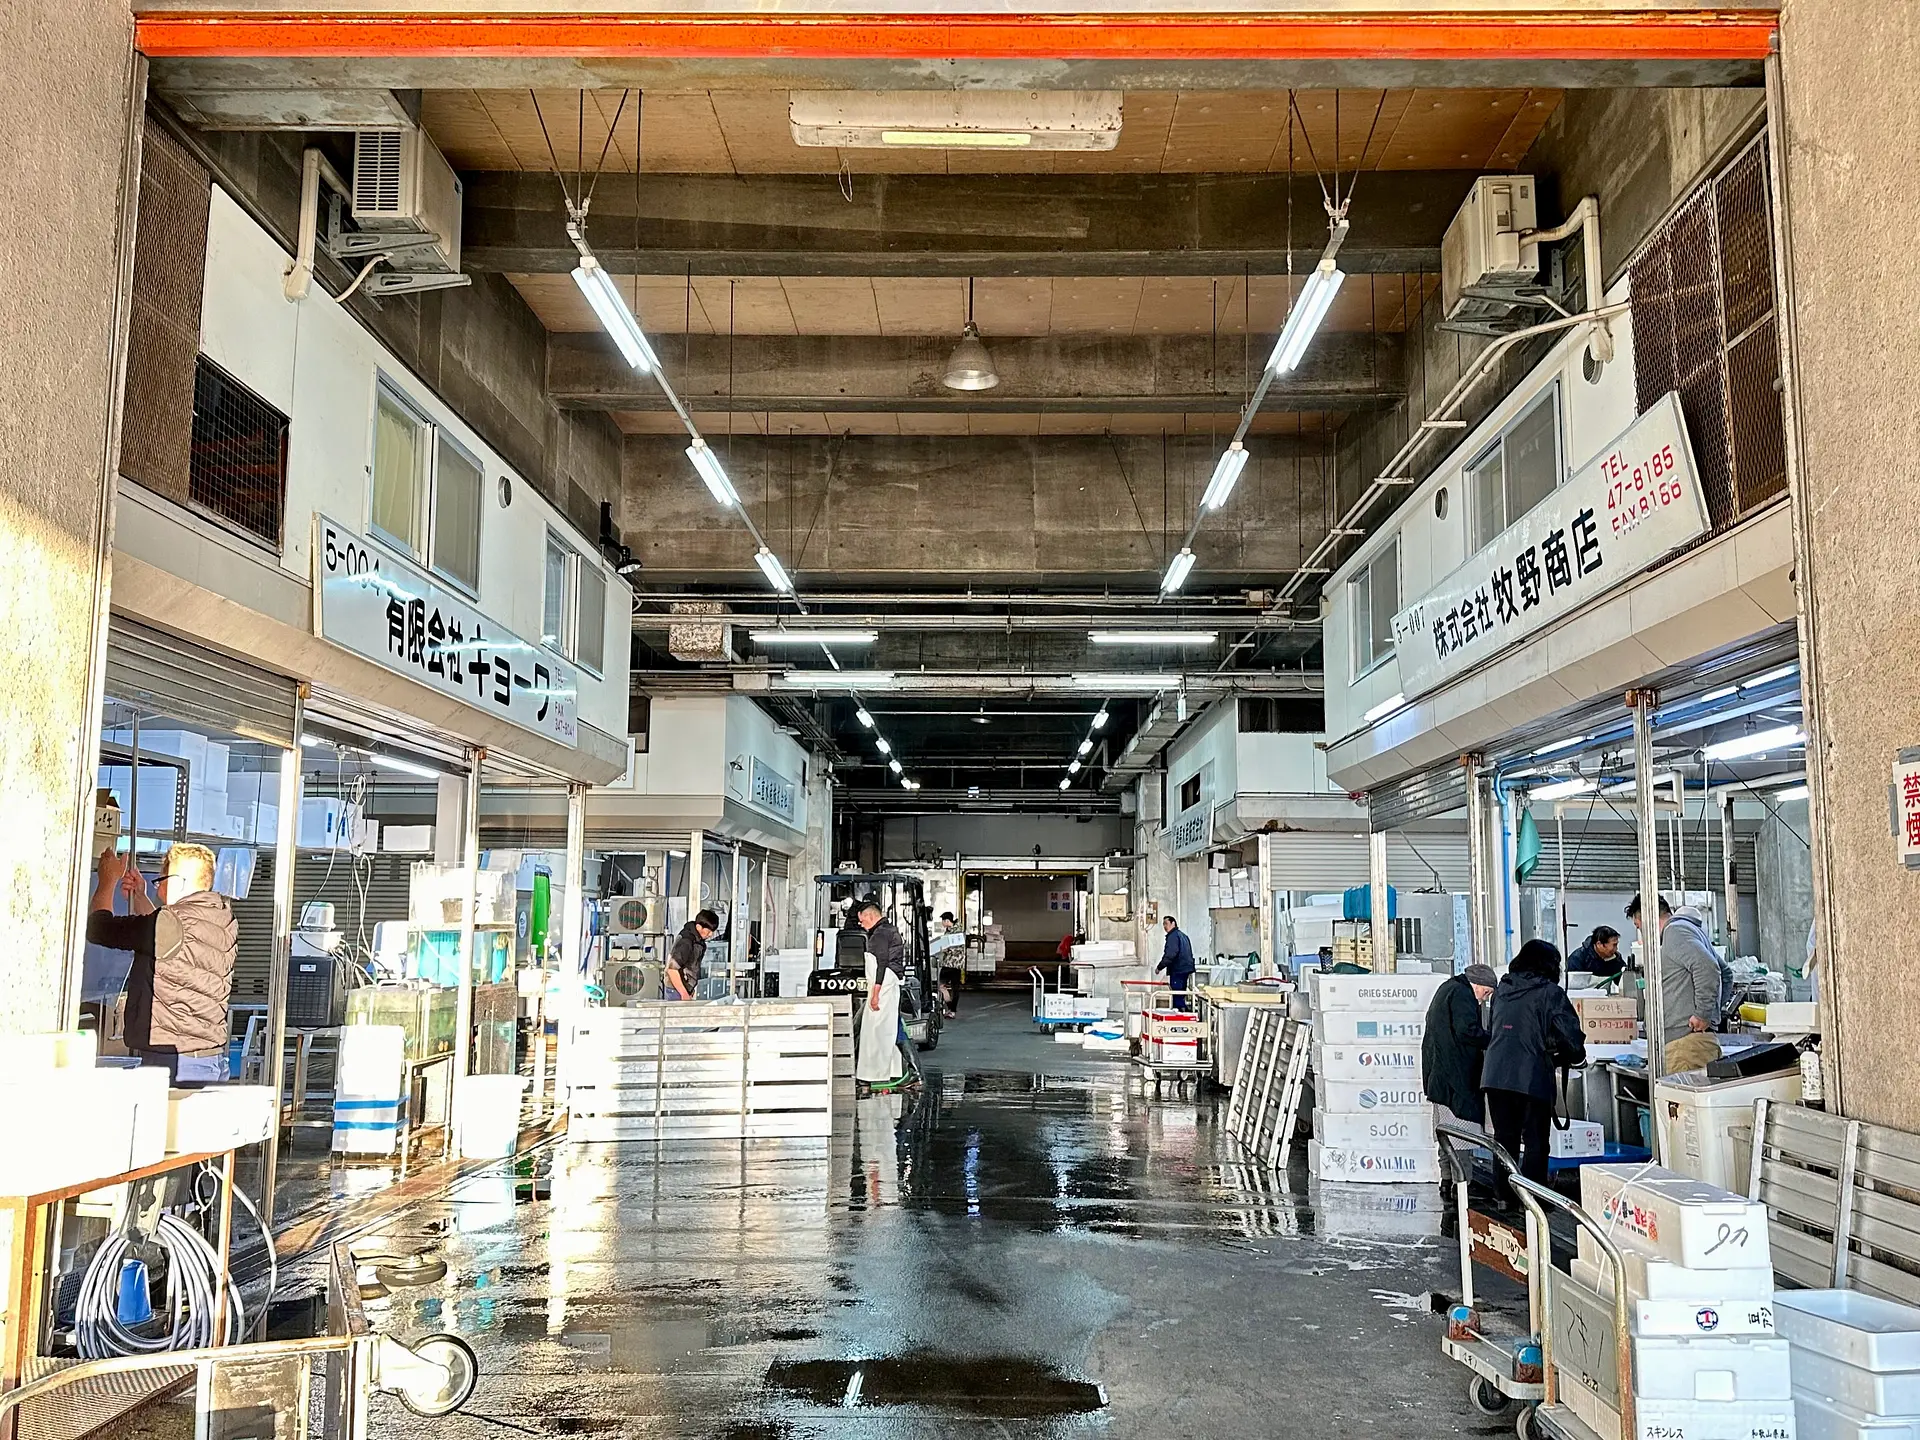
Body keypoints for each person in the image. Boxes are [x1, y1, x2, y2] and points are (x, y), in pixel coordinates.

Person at [87, 844, 236, 1084]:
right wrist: (140, 896)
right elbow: (167, 944)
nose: (159, 888)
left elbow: (99, 929)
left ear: (178, 882)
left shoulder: (171, 925)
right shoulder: (220, 919)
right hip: (206, 1056)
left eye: (162, 880)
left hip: (173, 1058)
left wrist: (107, 880)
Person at [1483, 940, 1587, 1187]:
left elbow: (1495, 1028)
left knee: (1504, 1140)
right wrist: (1576, 1057)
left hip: (1495, 1075)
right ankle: (1533, 1197)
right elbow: (1569, 1034)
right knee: (1536, 1142)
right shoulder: (1550, 993)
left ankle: (1504, 1197)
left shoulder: (1502, 990)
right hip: (1531, 1075)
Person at [1626, 893, 1724, 1070]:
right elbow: (1725, 973)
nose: (1642, 936)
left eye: (1639, 926)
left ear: (1648, 919)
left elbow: (1707, 967)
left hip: (1685, 1047)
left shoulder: (1675, 932)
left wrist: (1703, 1013)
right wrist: (1712, 1013)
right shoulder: (1689, 931)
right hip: (1690, 1043)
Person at [853, 898, 918, 1092]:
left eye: (862, 920)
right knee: (890, 1030)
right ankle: (910, 1073)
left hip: (883, 987)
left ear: (870, 915)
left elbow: (881, 965)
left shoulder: (880, 935)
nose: (861, 924)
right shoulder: (890, 930)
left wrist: (875, 994)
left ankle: (872, 1075)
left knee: (876, 1033)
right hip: (889, 985)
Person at [1422, 963, 1498, 1128]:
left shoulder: (1447, 988)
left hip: (1441, 1077)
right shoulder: (1463, 994)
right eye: (1486, 992)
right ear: (1476, 984)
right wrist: (1494, 1040)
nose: (1485, 999)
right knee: (1463, 1133)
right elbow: (1467, 1030)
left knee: (1446, 1132)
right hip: (1457, 1081)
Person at [666, 908, 719, 1000]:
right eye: (709, 931)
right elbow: (672, 970)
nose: (711, 934)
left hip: (684, 989)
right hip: (676, 990)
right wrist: (684, 993)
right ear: (699, 927)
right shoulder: (686, 941)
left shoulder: (698, 942)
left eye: (712, 931)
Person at [1155, 915, 1196, 1011]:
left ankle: (1181, 1014)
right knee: (1181, 993)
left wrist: (1159, 967)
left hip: (1178, 969)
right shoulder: (1183, 936)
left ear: (1173, 923)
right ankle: (1183, 1012)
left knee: (1177, 995)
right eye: (1163, 924)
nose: (1164, 926)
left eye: (1166, 923)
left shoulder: (1173, 936)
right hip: (1185, 969)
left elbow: (1170, 954)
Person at [930, 911, 965, 1019]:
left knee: (955, 989)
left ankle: (952, 1011)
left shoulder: (958, 931)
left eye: (943, 921)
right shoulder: (948, 931)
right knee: (941, 986)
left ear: (947, 921)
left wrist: (947, 949)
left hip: (955, 964)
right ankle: (950, 1008)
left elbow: (959, 948)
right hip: (946, 963)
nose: (942, 923)